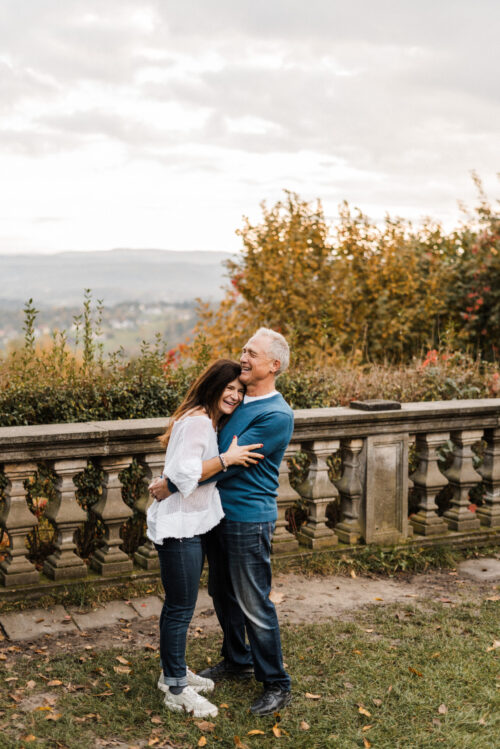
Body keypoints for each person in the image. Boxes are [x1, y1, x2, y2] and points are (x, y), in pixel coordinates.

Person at [151, 328, 294, 717]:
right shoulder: (240, 399)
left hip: (247, 517)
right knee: (222, 593)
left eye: (252, 353)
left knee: (253, 601)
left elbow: (230, 465)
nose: (243, 357)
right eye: (243, 350)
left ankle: (276, 682)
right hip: (213, 513)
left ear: (274, 365)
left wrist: (170, 484)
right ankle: (237, 658)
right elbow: (207, 451)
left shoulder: (276, 414)